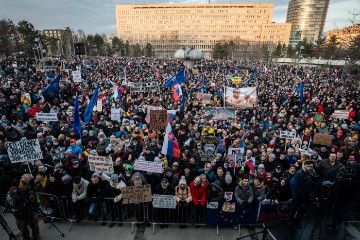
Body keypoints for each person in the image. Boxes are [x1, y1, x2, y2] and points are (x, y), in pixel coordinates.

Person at [290, 159, 320, 228]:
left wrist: (312, 194)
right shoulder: (299, 173)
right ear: (305, 166)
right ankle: (291, 220)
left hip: (307, 194)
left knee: (302, 209)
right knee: (294, 207)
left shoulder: (314, 173)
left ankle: (298, 221)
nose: (309, 168)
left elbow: (315, 185)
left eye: (311, 166)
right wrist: (300, 193)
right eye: (308, 166)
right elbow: (295, 184)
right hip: (298, 194)